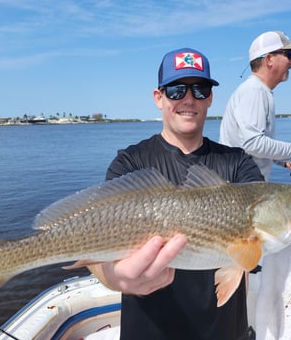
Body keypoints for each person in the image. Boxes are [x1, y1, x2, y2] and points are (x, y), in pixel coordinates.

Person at [88, 47, 264, 340]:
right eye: (176, 90)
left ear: (210, 98)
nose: (188, 99)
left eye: (200, 89)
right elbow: (95, 242)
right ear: (159, 98)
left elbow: (255, 244)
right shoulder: (130, 163)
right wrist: (114, 277)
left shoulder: (238, 162)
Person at [219, 31, 291, 180]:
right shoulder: (254, 91)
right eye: (288, 55)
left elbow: (252, 147)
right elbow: (253, 143)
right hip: (241, 192)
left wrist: (286, 161)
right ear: (269, 59)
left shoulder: (259, 90)